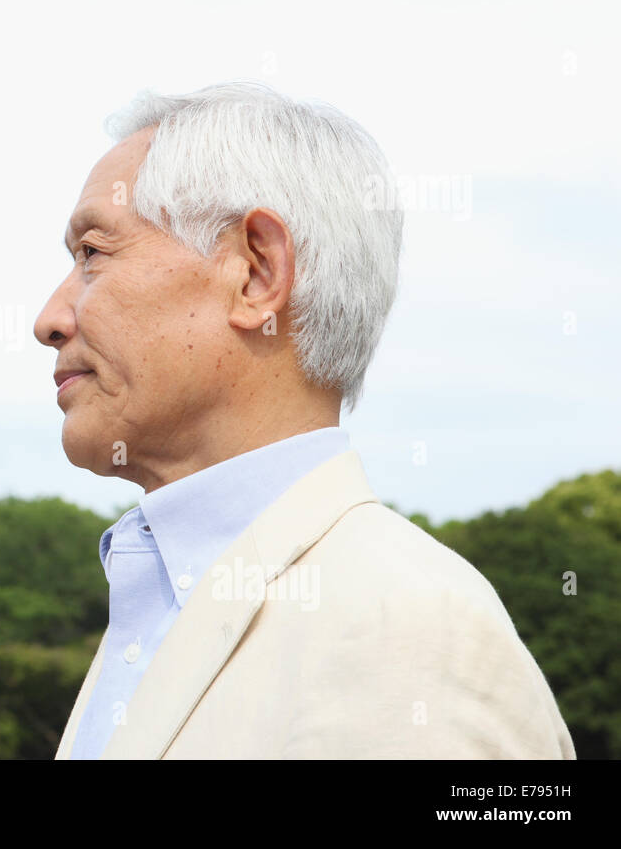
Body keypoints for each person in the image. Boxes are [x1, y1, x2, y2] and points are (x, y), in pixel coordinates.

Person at [34, 81, 574, 759]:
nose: (49, 320)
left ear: (258, 272)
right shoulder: (156, 600)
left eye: (92, 254)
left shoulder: (408, 629)